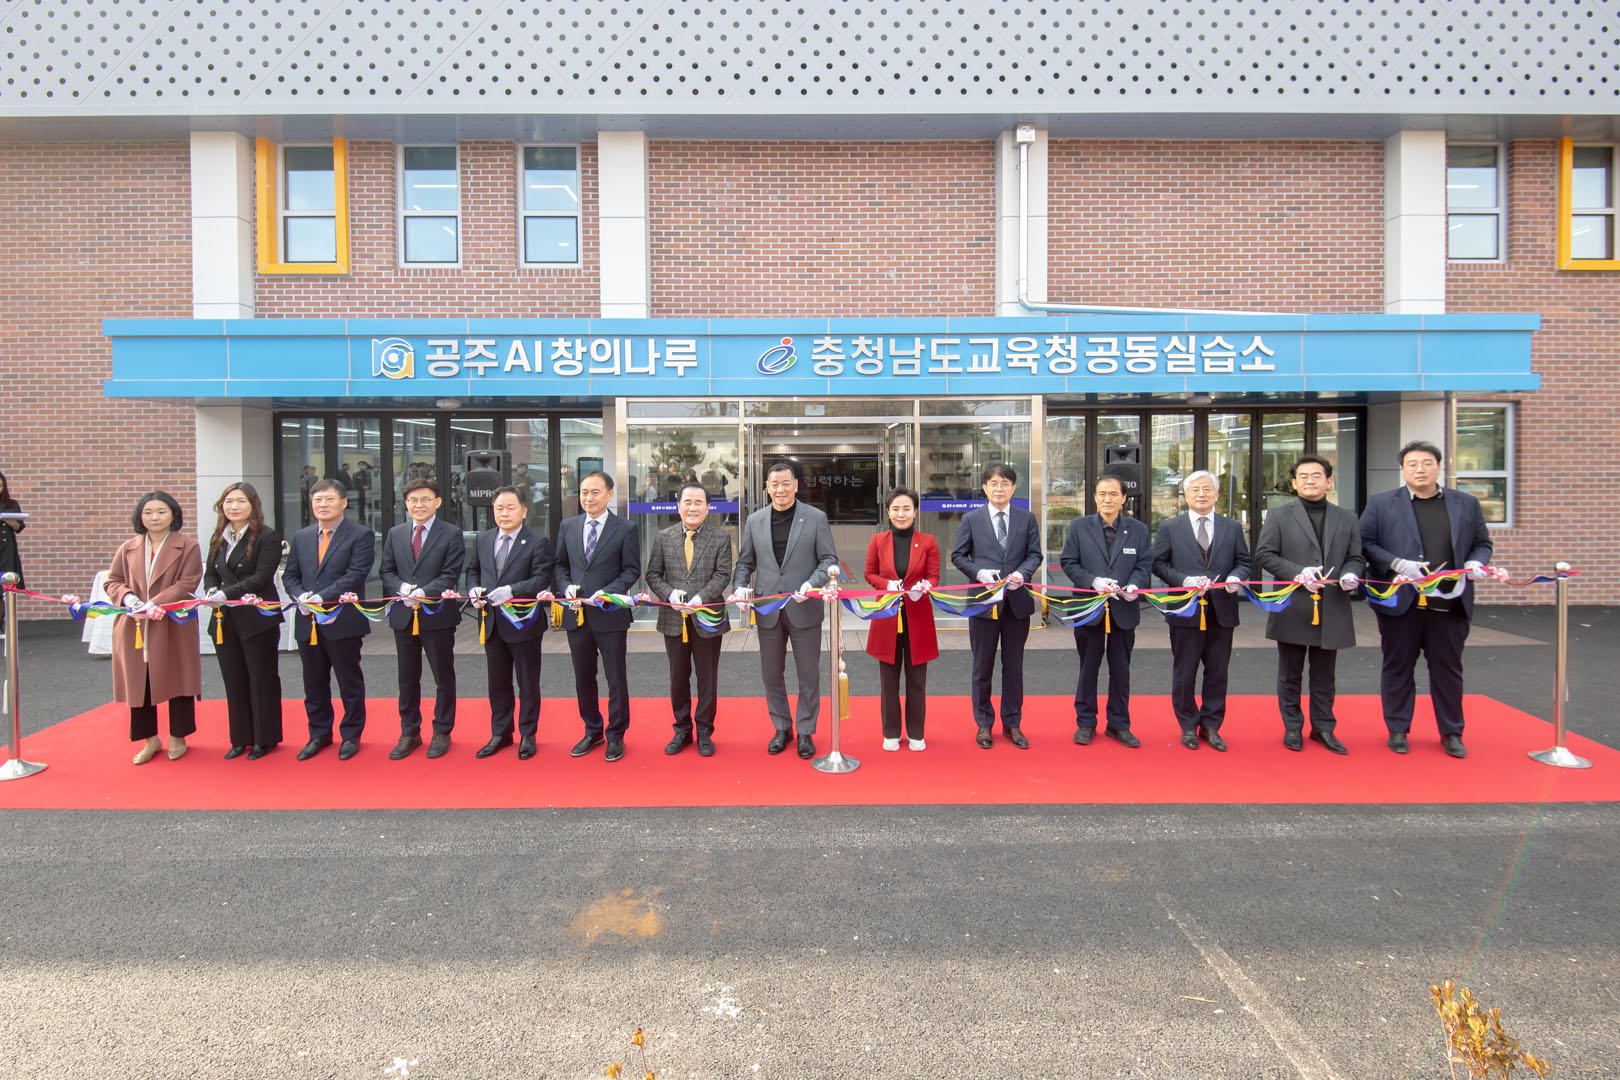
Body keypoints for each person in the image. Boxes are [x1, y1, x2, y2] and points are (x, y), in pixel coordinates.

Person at [1359, 440, 1495, 759]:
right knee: (1398, 666)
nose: (1419, 469)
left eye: (1426, 463)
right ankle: (1397, 728)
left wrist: (1476, 562)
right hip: (1401, 602)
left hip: (1449, 602)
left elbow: (1482, 543)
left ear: (1439, 467)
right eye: (1412, 464)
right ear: (1402, 469)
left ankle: (1452, 731)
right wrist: (1395, 563)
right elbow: (1365, 543)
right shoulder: (1381, 504)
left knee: (1448, 668)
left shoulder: (1465, 503)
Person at [1255, 454, 1366, 754]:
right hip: (1293, 603)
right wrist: (1297, 572)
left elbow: (1356, 557)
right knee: (1290, 672)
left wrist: (1350, 574)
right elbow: (1264, 554)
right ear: (1294, 483)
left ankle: (1323, 727)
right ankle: (1292, 726)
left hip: (1331, 605)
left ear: (1329, 481)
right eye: (1303, 476)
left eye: (1317, 476)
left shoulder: (1347, 518)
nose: (1310, 481)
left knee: (1324, 674)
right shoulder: (1279, 516)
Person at [728, 460, 839, 758]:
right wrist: (739, 586)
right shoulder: (755, 521)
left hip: (804, 606)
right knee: (771, 673)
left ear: (796, 485)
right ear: (767, 488)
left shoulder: (815, 518)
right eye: (774, 484)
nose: (780, 489)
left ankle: (805, 731)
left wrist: (812, 583)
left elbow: (828, 560)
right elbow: (745, 562)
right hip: (768, 608)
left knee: (808, 674)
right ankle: (781, 727)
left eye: (786, 483)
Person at [1151, 470, 1252, 751]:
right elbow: (1158, 563)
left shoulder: (1232, 527)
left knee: (1218, 671)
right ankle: (1187, 725)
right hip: (1185, 609)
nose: (1201, 494)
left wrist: (1236, 577)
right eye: (1195, 490)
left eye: (1207, 489)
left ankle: (1211, 724)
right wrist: (1183, 580)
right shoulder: (1170, 527)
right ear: (1186, 495)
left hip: (1222, 610)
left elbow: (1244, 561)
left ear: (1217, 494)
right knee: (1185, 672)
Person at [102, 491, 203, 765]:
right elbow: (113, 581)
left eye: (161, 511)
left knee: (178, 677)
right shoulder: (128, 547)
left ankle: (178, 736)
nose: (154, 517)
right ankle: (149, 739)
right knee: (140, 682)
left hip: (171, 622)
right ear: (140, 516)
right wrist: (129, 599)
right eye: (148, 512)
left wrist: (156, 603)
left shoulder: (188, 546)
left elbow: (188, 582)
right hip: (135, 624)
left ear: (174, 514)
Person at [950, 464, 1042, 749]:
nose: (999, 488)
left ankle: (1012, 723)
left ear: (1013, 488)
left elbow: (1035, 554)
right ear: (985, 488)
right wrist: (979, 573)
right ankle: (984, 724)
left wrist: (1022, 574)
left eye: (1004, 483)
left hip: (1017, 603)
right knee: (982, 667)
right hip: (983, 603)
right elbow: (958, 555)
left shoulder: (1027, 518)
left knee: (1014, 667)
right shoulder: (971, 519)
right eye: (993, 483)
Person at [282, 477, 375, 761]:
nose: (323, 504)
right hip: (307, 621)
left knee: (349, 681)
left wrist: (321, 597)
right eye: (318, 500)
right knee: (313, 683)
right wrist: (301, 596)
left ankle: (351, 734)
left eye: (329, 499)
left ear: (343, 503)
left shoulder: (360, 535)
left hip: (342, 620)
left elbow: (356, 574)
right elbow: (290, 575)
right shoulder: (302, 536)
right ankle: (319, 734)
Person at [554, 470, 641, 762]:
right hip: (577, 615)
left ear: (609, 494)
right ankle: (592, 730)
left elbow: (631, 570)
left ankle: (616, 734)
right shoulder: (568, 526)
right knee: (583, 677)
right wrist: (565, 587)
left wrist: (607, 592)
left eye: (595, 492)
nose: (588, 498)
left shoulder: (625, 528)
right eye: (584, 492)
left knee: (615, 677)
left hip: (610, 614)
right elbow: (559, 565)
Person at [1059, 473, 1152, 748]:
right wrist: (1093, 581)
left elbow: (1144, 564)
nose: (1107, 499)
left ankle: (1119, 724)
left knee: (1121, 670)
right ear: (1095, 497)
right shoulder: (1079, 527)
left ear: (1124, 498)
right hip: (1089, 608)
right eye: (1102, 494)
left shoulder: (1138, 530)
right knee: (1088, 668)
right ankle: (1085, 722)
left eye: (1113, 494)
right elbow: (1069, 562)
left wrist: (1135, 585)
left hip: (1124, 609)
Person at [644, 482, 733, 757]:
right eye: (687, 502)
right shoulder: (664, 537)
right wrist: (669, 594)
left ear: (708, 507)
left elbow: (722, 574)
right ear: (678, 505)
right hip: (674, 618)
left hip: (707, 617)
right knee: (678, 677)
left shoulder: (720, 538)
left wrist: (701, 598)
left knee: (707, 678)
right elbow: (653, 574)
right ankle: (682, 729)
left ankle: (705, 730)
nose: (693, 508)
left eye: (698, 503)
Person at [378, 477, 464, 760]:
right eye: (413, 500)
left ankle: (442, 730)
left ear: (437, 502)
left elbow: (450, 573)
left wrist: (425, 592)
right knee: (406, 677)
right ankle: (409, 731)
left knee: (443, 676)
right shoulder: (396, 533)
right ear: (406, 503)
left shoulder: (451, 533)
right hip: (404, 614)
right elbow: (386, 571)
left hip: (436, 614)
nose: (419, 505)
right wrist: (402, 588)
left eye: (425, 499)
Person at [465, 486, 554, 759]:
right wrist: (473, 589)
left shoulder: (537, 542)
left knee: (527, 682)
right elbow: (473, 570)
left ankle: (528, 733)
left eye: (510, 508)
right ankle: (501, 733)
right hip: (491, 622)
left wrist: (513, 590)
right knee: (497, 682)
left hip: (523, 622)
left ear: (524, 511)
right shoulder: (484, 539)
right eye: (499, 508)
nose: (504, 513)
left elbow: (542, 578)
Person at [202, 482, 284, 759]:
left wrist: (226, 593)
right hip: (224, 619)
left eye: (240, 501)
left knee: (261, 678)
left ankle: (264, 738)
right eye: (228, 502)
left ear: (253, 505)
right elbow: (210, 572)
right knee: (233, 678)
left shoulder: (267, 537)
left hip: (257, 617)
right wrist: (211, 591)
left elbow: (261, 577)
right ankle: (240, 738)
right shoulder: (219, 536)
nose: (234, 507)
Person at [864, 488, 940, 751]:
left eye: (907, 508)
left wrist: (924, 587)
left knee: (917, 679)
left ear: (915, 511)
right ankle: (891, 732)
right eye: (895, 509)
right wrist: (886, 584)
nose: (901, 514)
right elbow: (869, 574)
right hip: (887, 617)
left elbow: (934, 576)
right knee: (888, 680)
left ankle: (917, 733)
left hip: (918, 617)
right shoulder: (878, 541)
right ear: (888, 512)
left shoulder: (928, 541)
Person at [0, 471, 24, 630]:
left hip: (6, 549)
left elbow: (19, 527)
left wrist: (11, 522)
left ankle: (4, 624)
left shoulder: (11, 504)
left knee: (5, 587)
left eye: (0, 485)